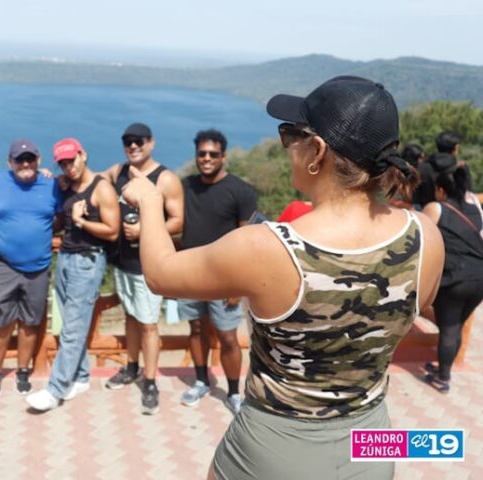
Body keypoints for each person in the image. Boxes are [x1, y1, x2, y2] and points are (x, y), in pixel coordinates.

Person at [121, 76, 444, 479]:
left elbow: (161, 274)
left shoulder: (268, 247)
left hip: (274, 448)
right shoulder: (425, 236)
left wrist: (151, 202)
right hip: (372, 443)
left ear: (318, 151)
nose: (287, 145)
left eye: (291, 135)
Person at [26, 138, 120, 411]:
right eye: (63, 163)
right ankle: (80, 376)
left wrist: (81, 221)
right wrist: (48, 175)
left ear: (84, 154)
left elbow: (112, 231)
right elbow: (54, 196)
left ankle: (55, 390)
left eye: (72, 160)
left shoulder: (101, 189)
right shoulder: (66, 184)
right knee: (68, 323)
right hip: (66, 258)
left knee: (73, 329)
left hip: (88, 262)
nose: (69, 167)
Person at [102, 122, 184, 415]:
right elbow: (91, 180)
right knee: (131, 317)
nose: (133, 146)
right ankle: (132, 366)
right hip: (122, 262)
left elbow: (178, 220)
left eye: (138, 141)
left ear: (151, 143)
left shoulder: (165, 179)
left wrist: (148, 229)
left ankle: (150, 381)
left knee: (149, 324)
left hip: (148, 266)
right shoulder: (118, 171)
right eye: (127, 141)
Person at [177, 129, 256, 413]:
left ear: (223, 156)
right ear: (196, 155)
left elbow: (247, 240)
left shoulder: (241, 191)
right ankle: (201, 381)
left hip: (224, 278)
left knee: (227, 337)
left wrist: (237, 284)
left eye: (213, 154)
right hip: (190, 274)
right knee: (196, 328)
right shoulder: (184, 187)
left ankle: (234, 392)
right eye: (202, 154)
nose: (207, 159)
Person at [0, 139, 63, 397]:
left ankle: (22, 369)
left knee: (30, 323)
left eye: (30, 159)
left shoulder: (52, 185)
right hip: (2, 265)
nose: (25, 164)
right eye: (20, 159)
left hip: (38, 267)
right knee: (3, 322)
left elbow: (64, 215)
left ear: (39, 160)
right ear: (10, 163)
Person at [422, 153, 483, 392]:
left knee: (448, 326)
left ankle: (443, 378)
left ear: (440, 189)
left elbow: (421, 240)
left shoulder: (437, 208)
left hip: (455, 278)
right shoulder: (475, 208)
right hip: (480, 277)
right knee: (455, 325)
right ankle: (442, 369)